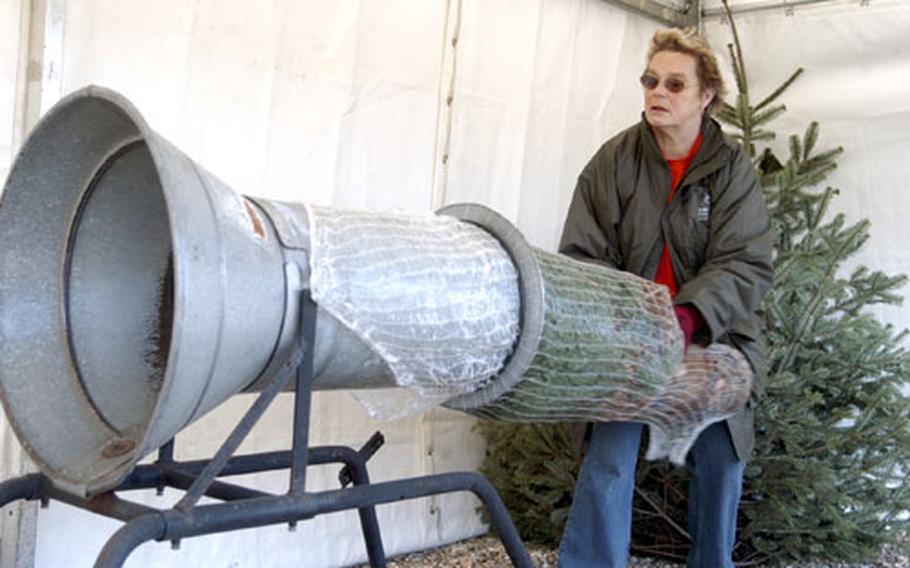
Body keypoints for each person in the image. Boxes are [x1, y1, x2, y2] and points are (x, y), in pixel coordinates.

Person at [557, 27, 773, 568]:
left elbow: (745, 263)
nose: (658, 92)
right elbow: (582, 256)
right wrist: (632, 325)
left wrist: (686, 316)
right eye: (651, 80)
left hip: (710, 337)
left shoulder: (733, 172)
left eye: (675, 84)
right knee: (610, 455)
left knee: (722, 458)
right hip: (630, 340)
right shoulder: (612, 162)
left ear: (705, 97)